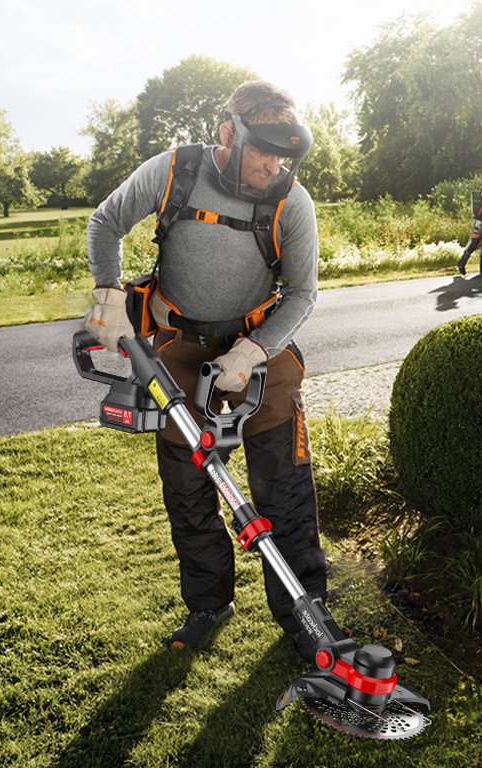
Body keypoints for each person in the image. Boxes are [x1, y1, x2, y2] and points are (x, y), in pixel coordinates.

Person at [83, 80, 325, 662]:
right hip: (176, 354)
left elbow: (302, 295)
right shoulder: (173, 172)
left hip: (255, 358)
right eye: (263, 150)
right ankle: (209, 604)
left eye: (284, 155)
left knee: (284, 490)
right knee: (189, 491)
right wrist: (109, 292)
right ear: (227, 133)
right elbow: (106, 222)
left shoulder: (292, 202)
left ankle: (306, 614)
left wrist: (251, 352)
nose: (274, 165)